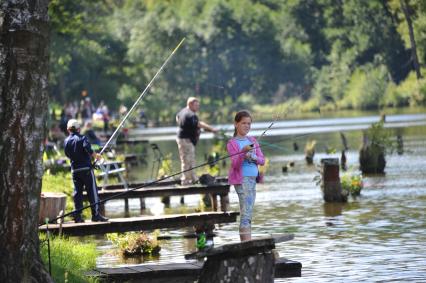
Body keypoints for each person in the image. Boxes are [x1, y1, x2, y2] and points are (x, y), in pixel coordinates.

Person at [227, 110, 265, 241]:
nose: (247, 126)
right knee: (246, 214)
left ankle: (246, 243)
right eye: (244, 123)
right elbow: (235, 165)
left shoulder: (252, 140)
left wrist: (253, 156)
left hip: (252, 180)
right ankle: (246, 245)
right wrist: (243, 153)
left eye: (249, 123)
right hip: (242, 181)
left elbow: (262, 160)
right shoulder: (232, 143)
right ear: (236, 124)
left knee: (248, 213)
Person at [64, 119, 108, 223]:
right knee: (92, 191)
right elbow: (87, 148)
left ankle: (78, 216)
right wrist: (96, 156)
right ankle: (95, 215)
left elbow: (67, 154)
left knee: (77, 193)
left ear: (68, 129)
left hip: (75, 170)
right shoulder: (82, 138)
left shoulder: (66, 141)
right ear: (78, 129)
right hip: (86, 170)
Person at [176, 97, 218, 185]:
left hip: (183, 139)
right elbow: (199, 124)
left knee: (190, 160)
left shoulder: (182, 112)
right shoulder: (190, 114)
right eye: (196, 105)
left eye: (198, 105)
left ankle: (192, 178)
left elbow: (177, 118)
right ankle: (185, 180)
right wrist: (212, 129)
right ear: (190, 104)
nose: (197, 107)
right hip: (185, 140)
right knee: (187, 160)